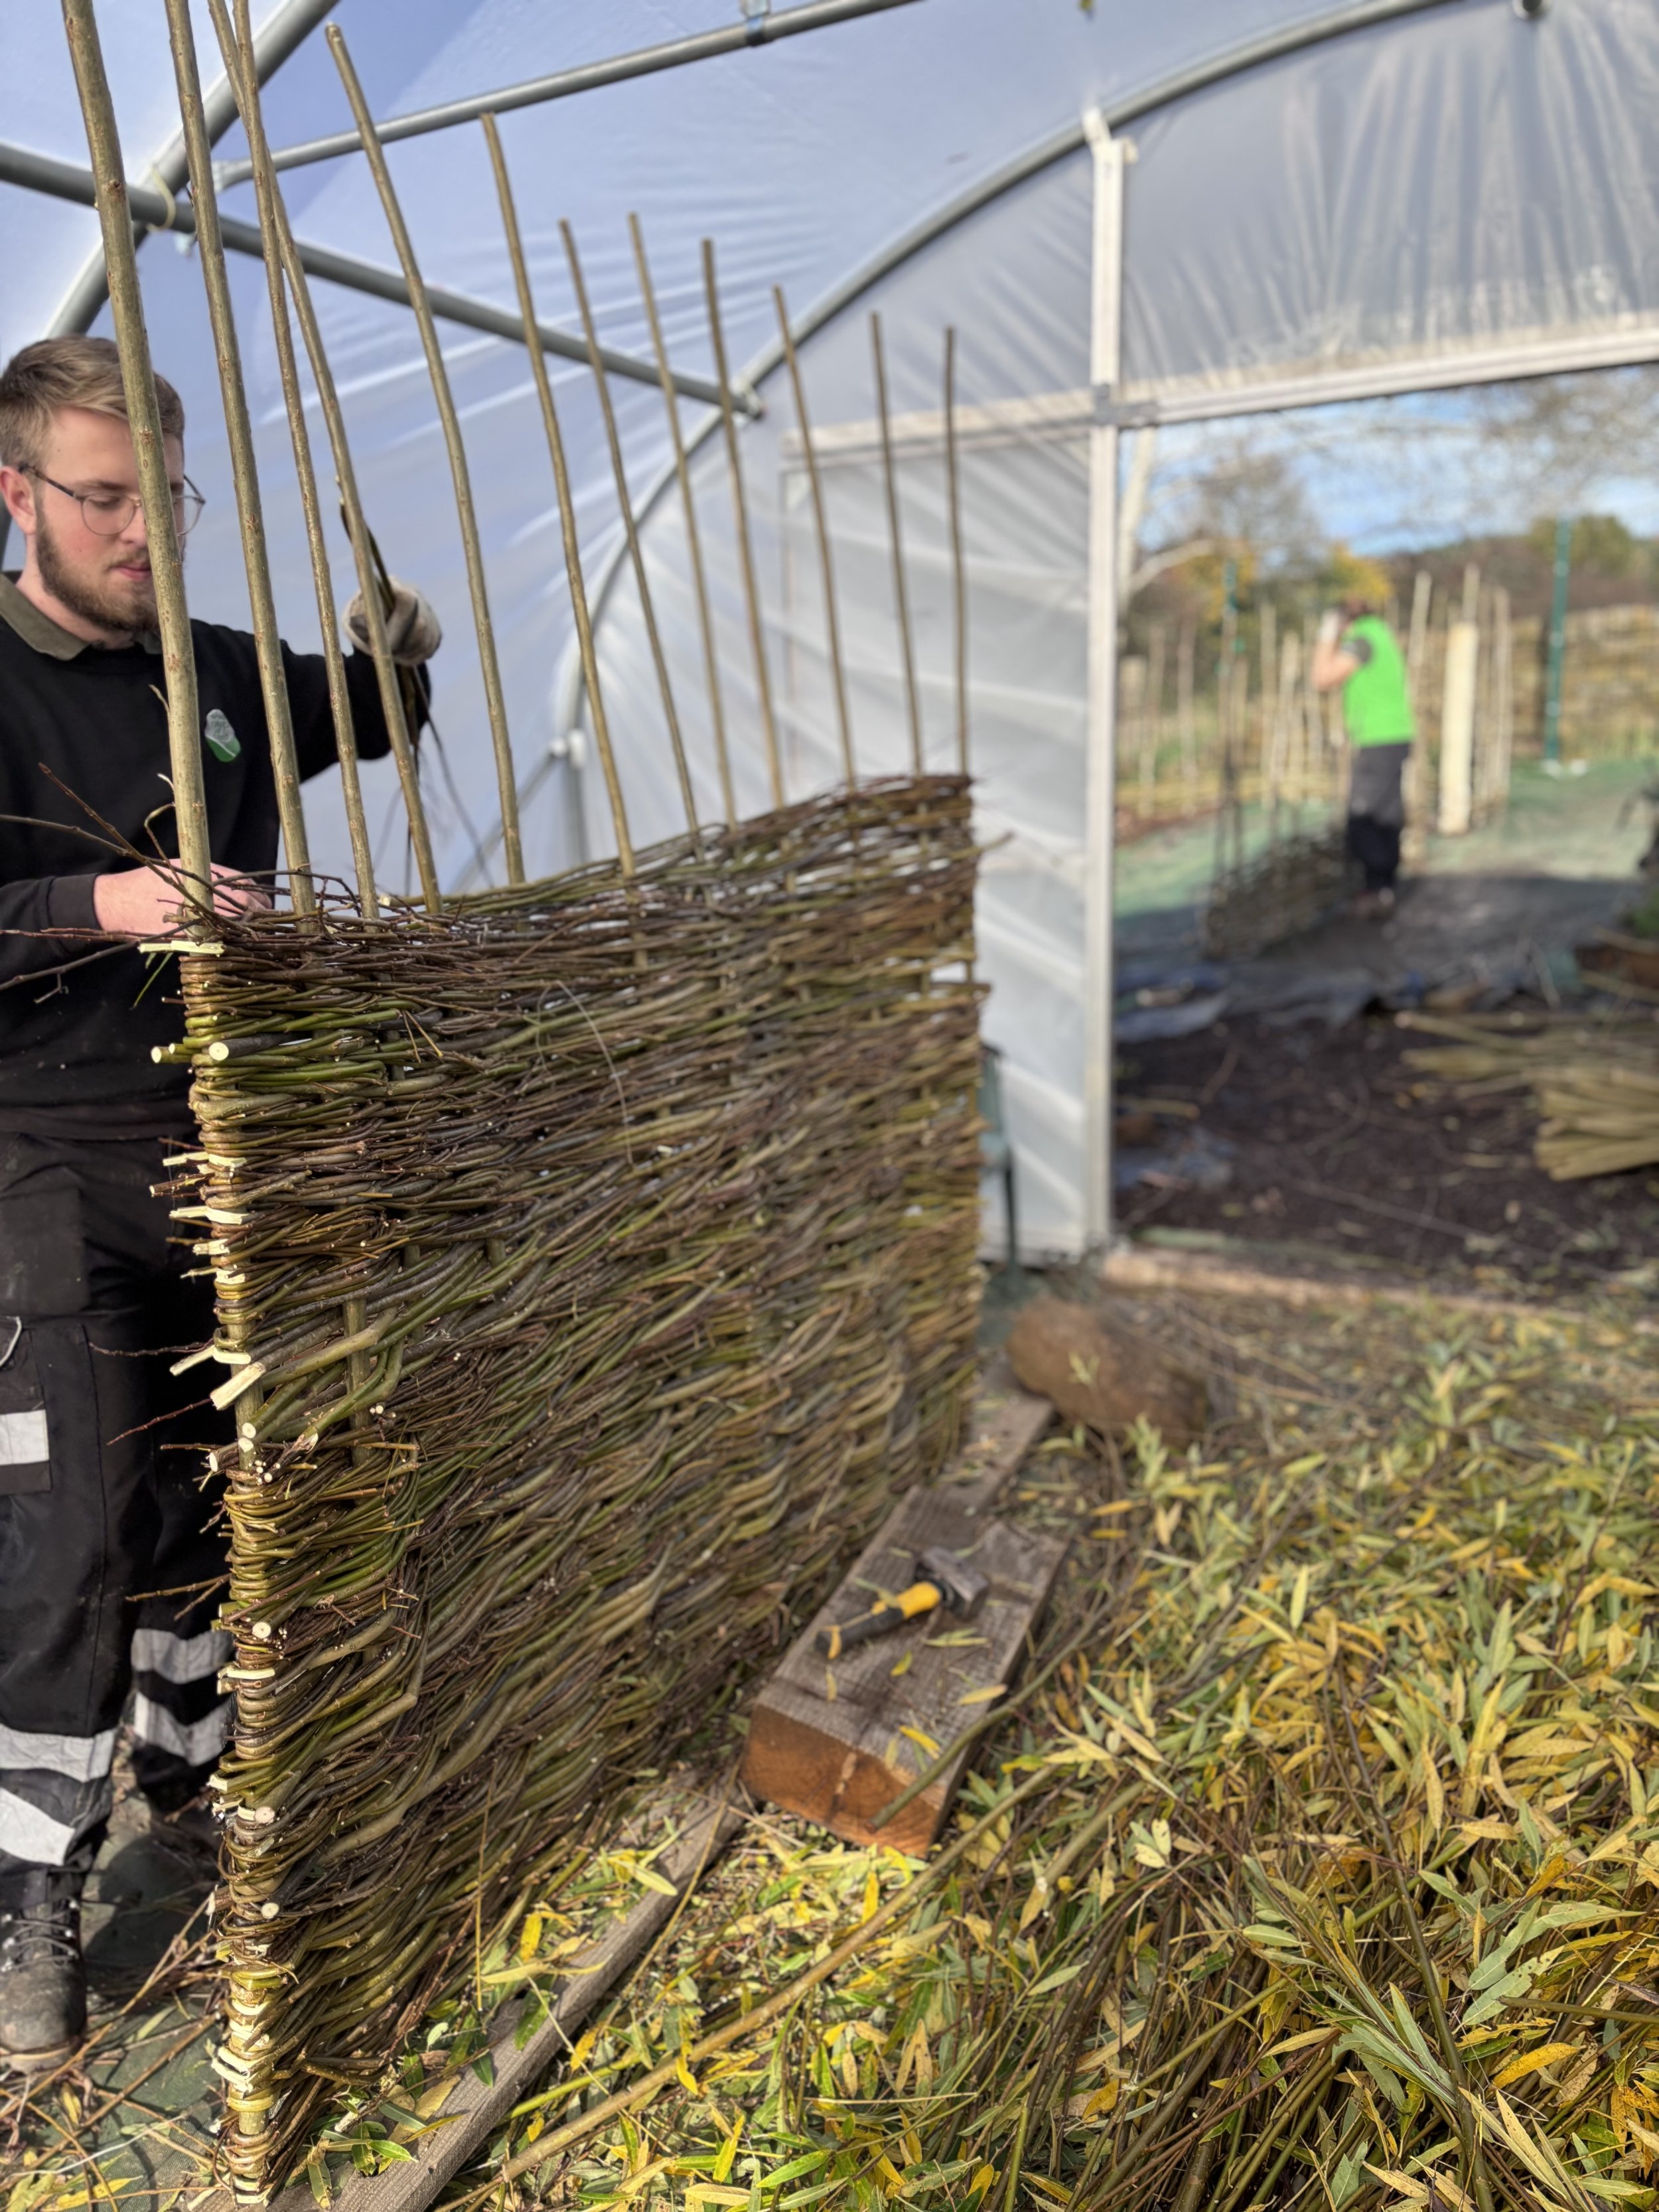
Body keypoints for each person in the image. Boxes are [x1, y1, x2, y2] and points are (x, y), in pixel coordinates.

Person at [0, 334, 439, 2071]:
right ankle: (30, 1894)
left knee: (199, 1491)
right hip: (34, 1149)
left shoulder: (217, 663)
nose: (139, 533)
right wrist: (107, 900)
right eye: (101, 499)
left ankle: (189, 1779)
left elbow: (369, 708)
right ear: (16, 493)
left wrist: (405, 653)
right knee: (70, 1536)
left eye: (161, 497)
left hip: (219, 1136)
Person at [1310, 595, 1415, 914]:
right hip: (1395, 734)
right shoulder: (1380, 633)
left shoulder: (1363, 640)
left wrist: (1326, 636)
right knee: (1386, 813)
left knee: (1364, 816)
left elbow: (1323, 678)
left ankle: (1375, 889)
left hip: (1379, 738)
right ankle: (1385, 888)